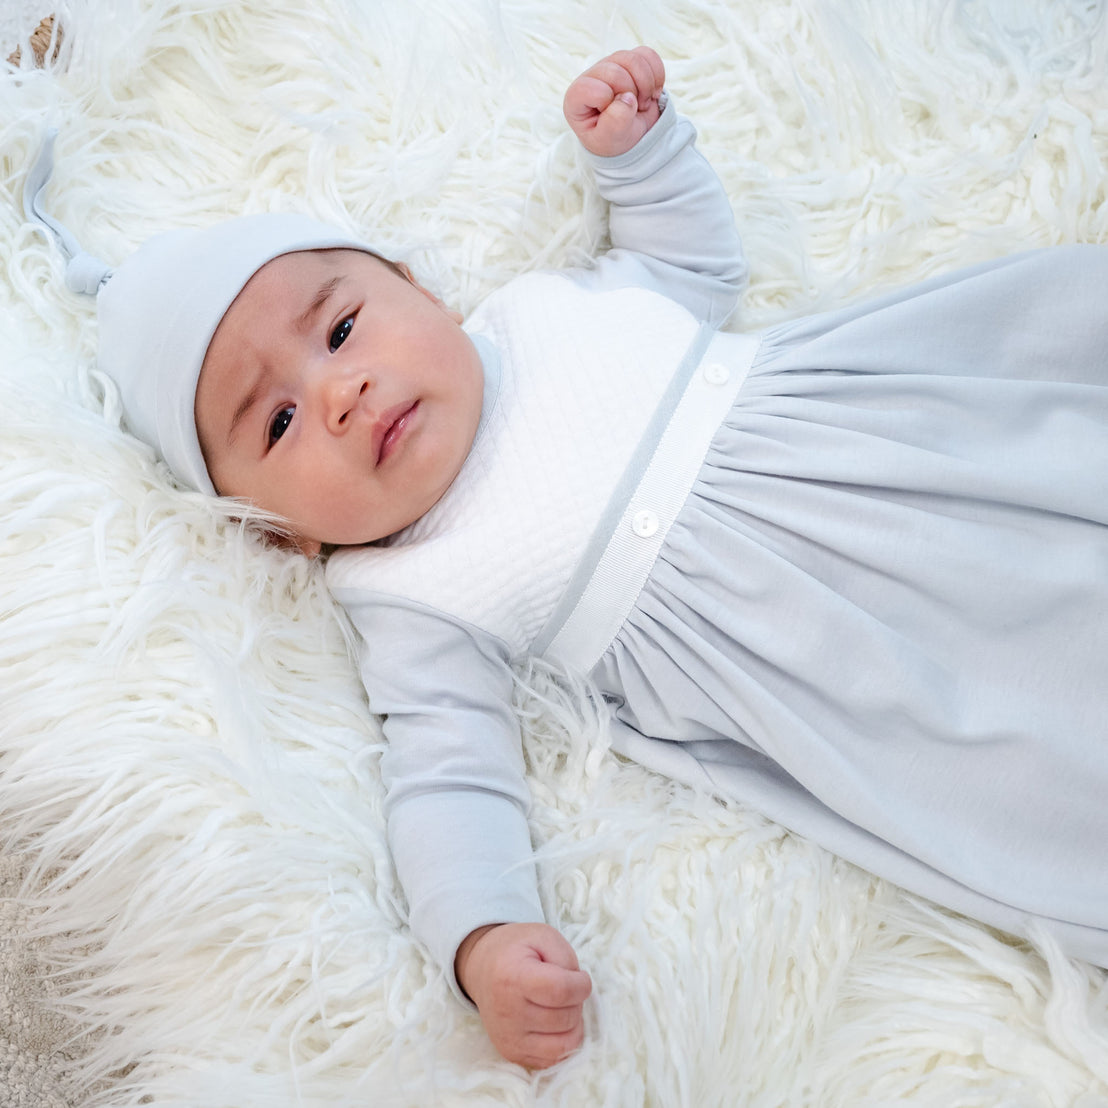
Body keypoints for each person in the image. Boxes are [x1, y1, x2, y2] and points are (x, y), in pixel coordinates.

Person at [25, 47, 1108, 1071]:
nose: (340, 391)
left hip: (887, 453)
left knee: (1053, 457)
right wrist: (484, 939)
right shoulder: (404, 593)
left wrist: (638, 153)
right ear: (278, 532)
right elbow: (446, 778)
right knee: (1023, 741)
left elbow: (692, 264)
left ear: (417, 287)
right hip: (828, 656)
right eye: (277, 424)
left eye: (343, 328)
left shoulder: (551, 308)